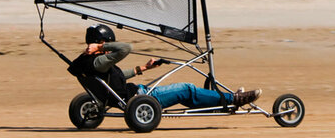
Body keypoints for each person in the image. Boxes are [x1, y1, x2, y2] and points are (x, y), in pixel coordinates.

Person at [68, 24, 260, 109]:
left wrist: (143, 68)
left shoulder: (84, 64)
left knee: (185, 97)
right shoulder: (98, 61)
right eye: (106, 43)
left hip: (132, 94)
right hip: (141, 97)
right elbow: (127, 48)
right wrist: (102, 47)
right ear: (99, 42)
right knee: (187, 89)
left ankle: (218, 103)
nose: (109, 48)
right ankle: (233, 98)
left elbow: (114, 81)